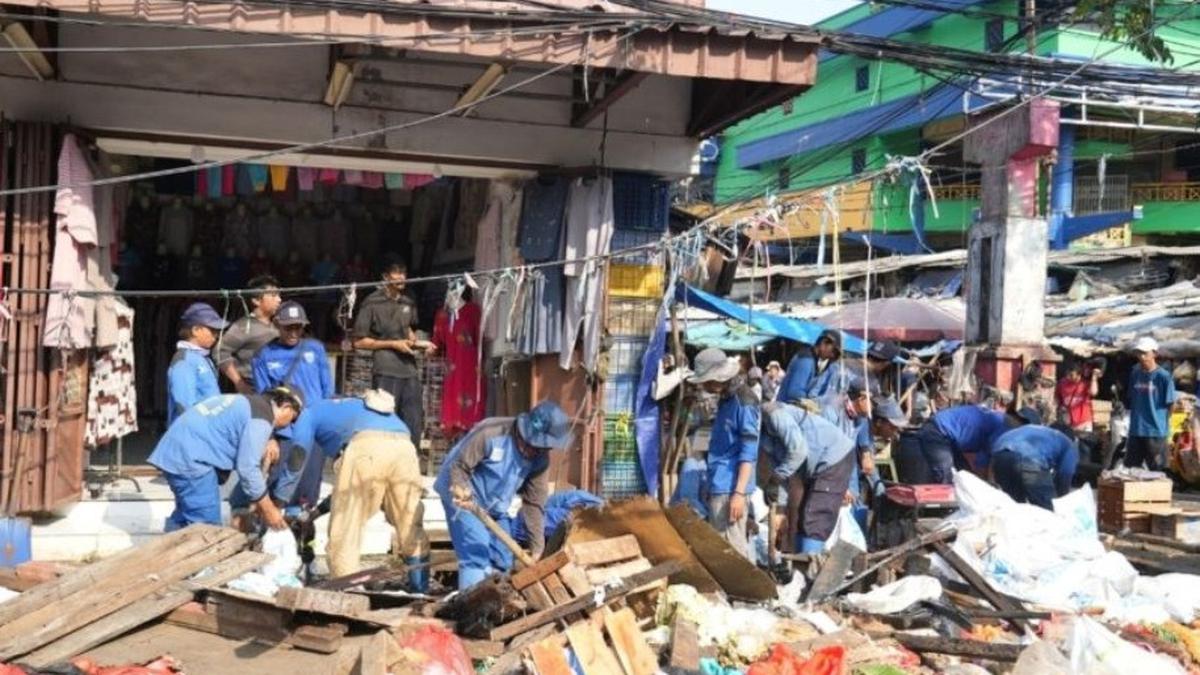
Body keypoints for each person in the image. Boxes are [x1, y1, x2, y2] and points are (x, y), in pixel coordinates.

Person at [283, 391, 429, 587]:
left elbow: (297, 456)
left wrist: (278, 500)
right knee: (409, 521)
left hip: (365, 447)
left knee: (346, 527)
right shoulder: (351, 407)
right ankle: (420, 589)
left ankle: (348, 593)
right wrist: (316, 513)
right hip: (405, 445)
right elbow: (345, 492)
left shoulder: (307, 413)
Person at [434, 401, 572, 590]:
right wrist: (461, 490)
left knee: (503, 556)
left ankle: (497, 602)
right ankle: (470, 605)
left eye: (544, 448)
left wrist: (537, 548)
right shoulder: (491, 433)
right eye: (536, 445)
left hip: (495, 505)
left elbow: (534, 504)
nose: (537, 451)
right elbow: (459, 467)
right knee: (477, 549)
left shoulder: (540, 460)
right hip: (463, 494)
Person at [148, 387, 303, 531]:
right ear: (287, 408)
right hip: (192, 460)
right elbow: (248, 468)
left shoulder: (249, 403)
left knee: (185, 519)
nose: (289, 425)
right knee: (206, 530)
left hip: (176, 452)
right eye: (292, 419)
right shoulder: (262, 418)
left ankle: (167, 555)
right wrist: (269, 509)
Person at [251, 301, 336, 506]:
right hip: (285, 431)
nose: (293, 332)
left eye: (298, 327)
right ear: (277, 325)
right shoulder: (263, 356)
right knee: (279, 482)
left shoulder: (315, 349)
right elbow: (263, 401)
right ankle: (272, 529)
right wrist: (269, 437)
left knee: (309, 485)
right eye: (288, 327)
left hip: (315, 428)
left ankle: (302, 532)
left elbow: (328, 390)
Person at [687, 348, 760, 559]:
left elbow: (748, 452)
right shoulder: (726, 398)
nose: (705, 386)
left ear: (719, 378)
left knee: (732, 549)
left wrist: (738, 494)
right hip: (719, 481)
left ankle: (744, 591)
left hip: (731, 487)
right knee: (720, 545)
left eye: (707, 381)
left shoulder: (744, 402)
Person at [759, 401, 856, 554]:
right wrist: (781, 510)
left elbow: (798, 451)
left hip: (834, 457)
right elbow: (785, 472)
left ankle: (808, 570)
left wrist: (775, 478)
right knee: (802, 518)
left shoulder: (773, 414)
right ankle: (799, 566)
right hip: (818, 464)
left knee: (814, 520)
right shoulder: (765, 437)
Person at [353, 262, 432, 441]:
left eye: (403, 273)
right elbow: (359, 341)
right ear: (385, 277)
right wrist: (393, 344)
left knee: (413, 421)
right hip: (385, 370)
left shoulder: (408, 301)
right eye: (396, 273)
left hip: (409, 370)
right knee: (384, 420)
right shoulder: (372, 302)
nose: (401, 278)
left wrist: (421, 344)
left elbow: (408, 331)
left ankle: (411, 460)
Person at [911, 399, 1013, 484]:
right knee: (947, 477)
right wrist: (987, 487)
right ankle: (944, 508)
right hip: (938, 431)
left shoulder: (1000, 419)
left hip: (947, 433)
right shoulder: (1003, 428)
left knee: (964, 477)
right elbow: (982, 461)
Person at [215, 275, 281, 394]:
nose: (279, 300)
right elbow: (219, 352)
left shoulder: (278, 325)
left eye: (279, 295)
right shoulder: (243, 326)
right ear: (256, 300)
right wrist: (239, 382)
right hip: (254, 389)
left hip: (275, 388)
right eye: (273, 295)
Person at [990, 423, 1079, 510]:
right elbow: (1065, 475)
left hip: (1000, 453)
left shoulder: (1038, 430)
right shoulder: (1068, 443)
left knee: (1013, 505)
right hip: (1029, 457)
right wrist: (1061, 504)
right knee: (1047, 510)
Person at [166, 303, 228, 426]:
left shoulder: (202, 358)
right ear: (195, 330)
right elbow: (184, 404)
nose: (216, 335)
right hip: (191, 434)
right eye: (212, 330)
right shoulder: (184, 361)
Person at [1126, 336, 1176, 470]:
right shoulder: (1135, 373)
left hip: (1155, 432)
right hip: (1136, 430)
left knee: (1157, 471)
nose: (1142, 357)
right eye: (1139, 353)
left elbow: (1171, 404)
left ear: (1154, 353)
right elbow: (1132, 398)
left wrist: (1161, 423)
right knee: (1131, 470)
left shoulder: (1164, 377)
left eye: (1145, 353)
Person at [777, 331, 844, 404]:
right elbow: (794, 392)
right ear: (823, 343)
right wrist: (811, 402)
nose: (832, 356)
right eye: (833, 351)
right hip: (783, 407)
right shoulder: (806, 360)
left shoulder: (812, 360)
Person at [1056, 362, 1101, 433]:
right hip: (1069, 423)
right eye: (1067, 374)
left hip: (1084, 422)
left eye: (1071, 375)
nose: (1068, 377)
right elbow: (1058, 399)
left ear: (1079, 375)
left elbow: (1093, 392)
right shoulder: (1062, 383)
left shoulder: (1084, 384)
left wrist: (1094, 378)